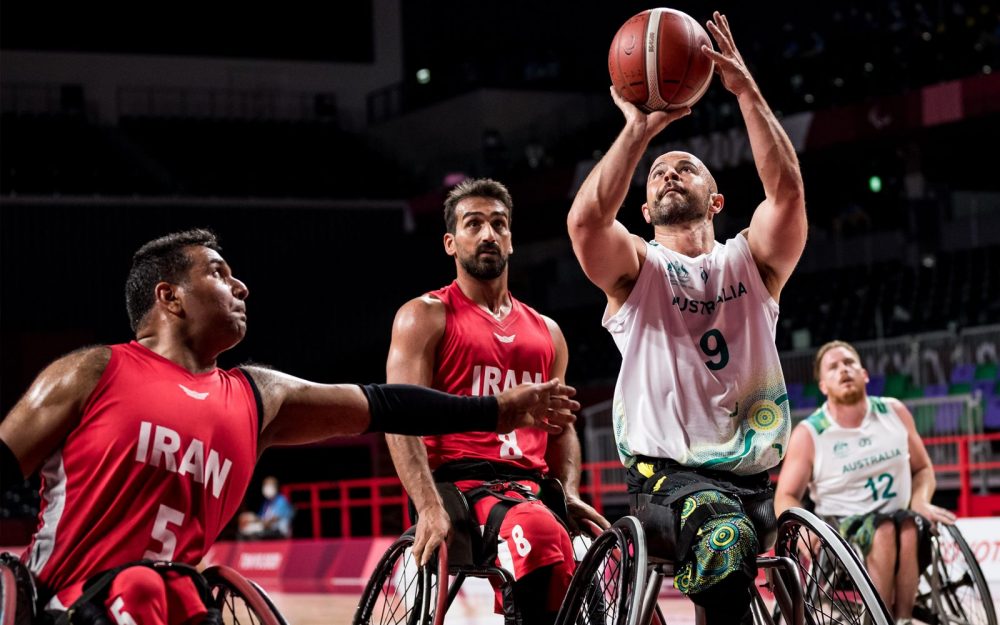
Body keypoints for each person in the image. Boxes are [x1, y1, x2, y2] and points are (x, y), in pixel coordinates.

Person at [0, 228, 579, 625]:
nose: (242, 286)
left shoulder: (258, 396)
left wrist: (497, 410)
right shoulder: (93, 370)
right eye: (219, 273)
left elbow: (386, 404)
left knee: (167, 589)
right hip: (62, 604)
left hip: (173, 601)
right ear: (169, 296)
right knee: (144, 588)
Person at [566, 12, 807, 624]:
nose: (670, 172)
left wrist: (746, 90)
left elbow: (786, 196)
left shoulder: (752, 261)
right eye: (658, 173)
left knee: (768, 535)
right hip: (666, 483)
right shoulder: (636, 269)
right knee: (722, 541)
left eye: (686, 166)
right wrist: (638, 133)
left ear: (718, 199)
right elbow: (587, 224)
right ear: (645, 209)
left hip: (757, 483)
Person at [386, 178, 608, 625]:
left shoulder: (547, 331)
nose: (488, 234)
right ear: (451, 243)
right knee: (539, 531)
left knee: (606, 557)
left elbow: (561, 426)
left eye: (498, 224)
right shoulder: (424, 316)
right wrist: (427, 504)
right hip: (460, 488)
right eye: (474, 224)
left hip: (533, 489)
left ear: (511, 239)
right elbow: (398, 417)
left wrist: (569, 493)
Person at [775, 341, 955, 623]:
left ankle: (903, 618)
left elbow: (922, 469)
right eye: (833, 367)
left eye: (849, 363)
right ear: (823, 386)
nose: (843, 370)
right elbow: (785, 495)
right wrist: (802, 528)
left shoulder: (894, 412)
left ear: (865, 374)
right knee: (882, 529)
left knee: (907, 525)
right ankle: (878, 618)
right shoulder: (810, 433)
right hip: (842, 528)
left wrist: (920, 500)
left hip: (901, 517)